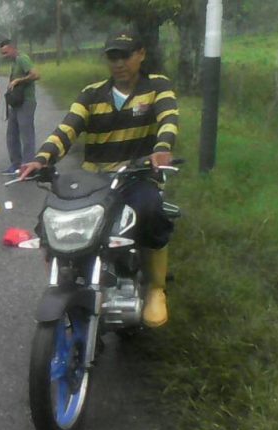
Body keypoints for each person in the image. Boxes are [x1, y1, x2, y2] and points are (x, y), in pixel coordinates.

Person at [18, 28, 179, 328]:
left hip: (136, 176)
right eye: (113, 56)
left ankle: (156, 289)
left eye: (125, 55)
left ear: (141, 54)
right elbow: (67, 129)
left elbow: (168, 119)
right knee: (49, 221)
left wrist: (161, 149)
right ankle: (63, 284)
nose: (118, 63)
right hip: (96, 182)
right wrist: (42, 159)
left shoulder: (157, 86)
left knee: (153, 211)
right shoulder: (92, 93)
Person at [0, 39, 40, 176]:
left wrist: (18, 80)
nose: (4, 56)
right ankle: (16, 164)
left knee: (26, 135)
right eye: (2, 53)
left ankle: (28, 167)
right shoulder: (14, 62)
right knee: (11, 134)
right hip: (16, 103)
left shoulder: (23, 59)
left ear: (12, 48)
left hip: (26, 102)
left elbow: (35, 74)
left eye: (5, 52)